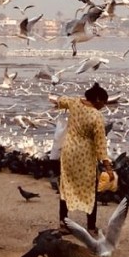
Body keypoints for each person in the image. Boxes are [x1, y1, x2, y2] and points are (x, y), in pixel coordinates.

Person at [49, 82, 111, 232]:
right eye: (103, 102)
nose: (103, 106)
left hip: (69, 152)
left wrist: (53, 96)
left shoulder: (75, 102)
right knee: (90, 189)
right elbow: (100, 144)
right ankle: (91, 227)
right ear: (97, 99)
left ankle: (63, 224)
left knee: (66, 186)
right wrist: (108, 167)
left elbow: (59, 100)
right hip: (85, 155)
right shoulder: (96, 116)